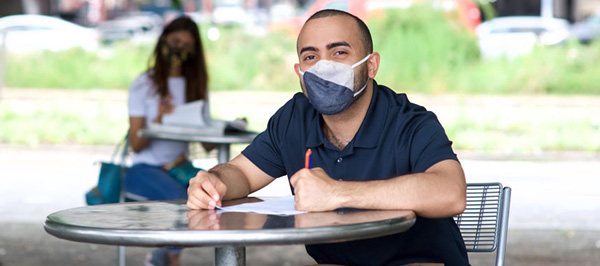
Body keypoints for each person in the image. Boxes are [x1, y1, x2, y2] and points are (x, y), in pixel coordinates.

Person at [187, 9, 469, 266]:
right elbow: (242, 173)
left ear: (371, 65)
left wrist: (337, 192)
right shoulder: (294, 118)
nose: (324, 66)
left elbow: (450, 193)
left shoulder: (409, 121)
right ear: (299, 72)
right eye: (311, 56)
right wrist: (215, 182)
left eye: (339, 53)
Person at [125, 16, 209, 266]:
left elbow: (207, 144)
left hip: (180, 168)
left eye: (186, 44)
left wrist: (227, 127)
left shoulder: (196, 86)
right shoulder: (143, 84)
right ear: (163, 41)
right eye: (175, 41)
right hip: (144, 170)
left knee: (215, 197)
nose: (179, 48)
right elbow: (136, 145)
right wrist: (160, 118)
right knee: (184, 203)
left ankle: (163, 255)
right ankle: (169, 257)